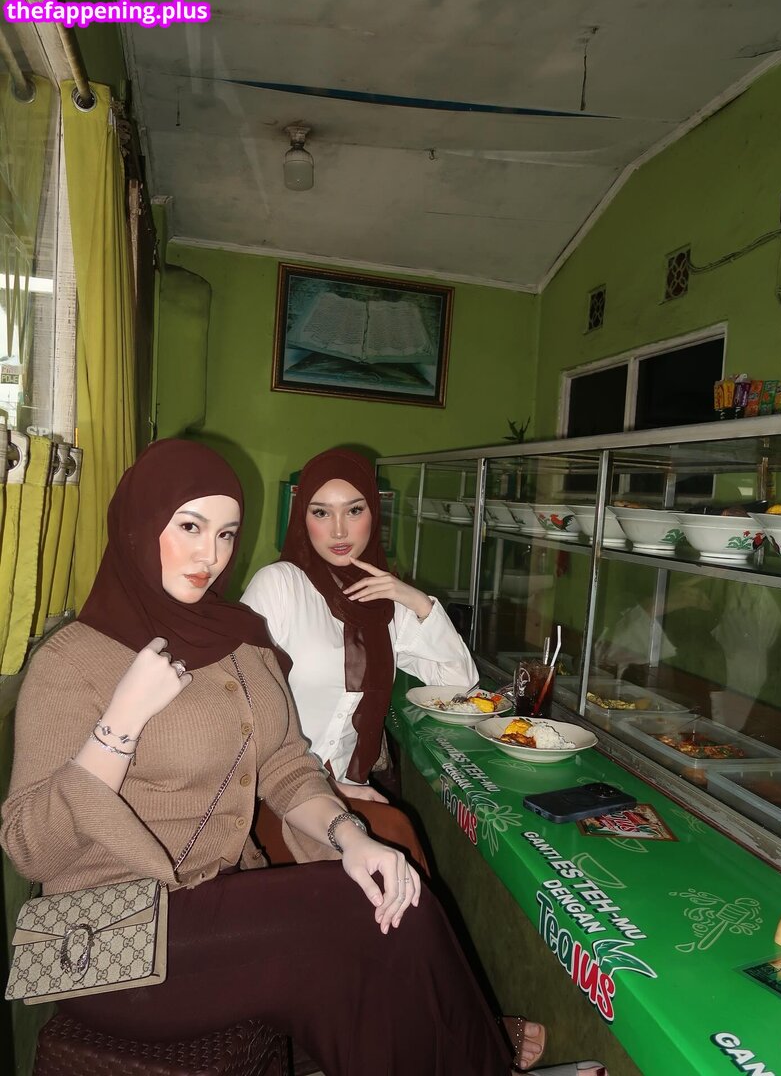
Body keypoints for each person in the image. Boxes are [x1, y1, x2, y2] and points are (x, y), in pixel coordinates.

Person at [1, 439, 605, 1076]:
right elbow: (29, 847)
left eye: (227, 534)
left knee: (392, 901)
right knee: (362, 923)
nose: (211, 555)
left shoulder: (238, 641)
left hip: (218, 902)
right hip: (110, 943)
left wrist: (351, 837)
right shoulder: (72, 659)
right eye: (190, 527)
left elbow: (288, 766)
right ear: (138, 525)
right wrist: (120, 723)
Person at [242, 448, 478, 867]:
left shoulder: (385, 602)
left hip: (350, 793)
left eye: (354, 510)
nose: (339, 529)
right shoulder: (280, 586)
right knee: (397, 847)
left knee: (395, 860)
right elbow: (241, 709)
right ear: (301, 517)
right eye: (321, 512)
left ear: (375, 513)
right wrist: (325, 787)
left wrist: (415, 600)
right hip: (272, 795)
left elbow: (459, 683)